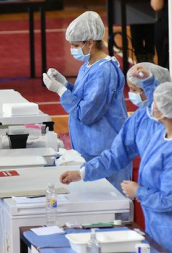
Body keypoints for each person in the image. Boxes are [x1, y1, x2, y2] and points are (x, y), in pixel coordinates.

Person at [61, 82, 172, 253]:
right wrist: (82, 173)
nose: (150, 105)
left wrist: (138, 191)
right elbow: (117, 154)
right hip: (163, 226)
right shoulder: (165, 136)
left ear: (163, 112)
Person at [42, 11, 131, 193]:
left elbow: (86, 113)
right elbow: (85, 96)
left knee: (111, 207)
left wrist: (60, 91)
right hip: (89, 149)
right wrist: (65, 84)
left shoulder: (104, 71)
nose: (72, 49)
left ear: (90, 42)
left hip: (104, 151)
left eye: (75, 45)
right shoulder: (89, 65)